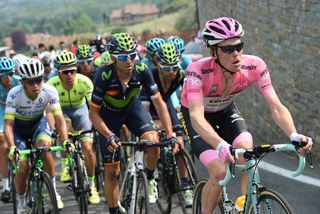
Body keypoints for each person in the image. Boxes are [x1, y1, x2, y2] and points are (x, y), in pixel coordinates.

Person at [180, 17, 313, 214]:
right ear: (213, 52)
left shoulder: (254, 65)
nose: (236, 54)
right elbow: (197, 117)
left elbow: (276, 107)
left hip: (225, 112)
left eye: (239, 46)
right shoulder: (198, 70)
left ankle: (245, 204)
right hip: (198, 119)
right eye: (227, 49)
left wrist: (294, 135)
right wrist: (220, 144)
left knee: (247, 153)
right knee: (219, 172)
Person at [89, 33, 174, 214]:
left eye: (132, 55)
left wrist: (170, 133)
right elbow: (93, 115)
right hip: (108, 118)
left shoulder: (142, 70)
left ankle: (150, 178)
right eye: (123, 57)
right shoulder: (102, 75)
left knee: (153, 141)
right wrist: (108, 135)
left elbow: (159, 103)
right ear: (113, 58)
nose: (129, 60)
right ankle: (114, 210)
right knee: (112, 171)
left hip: (132, 111)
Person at [5, 58, 69, 212]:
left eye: (39, 80)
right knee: (23, 167)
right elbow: (8, 125)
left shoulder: (49, 91)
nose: (36, 86)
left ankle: (53, 190)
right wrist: (12, 147)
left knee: (46, 149)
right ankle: (21, 203)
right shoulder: (14, 94)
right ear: (22, 82)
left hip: (37, 125)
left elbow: (59, 119)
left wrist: (65, 140)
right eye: (31, 82)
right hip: (18, 129)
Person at [140, 43, 194, 206]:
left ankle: (185, 185)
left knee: (180, 141)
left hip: (167, 104)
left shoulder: (180, 75)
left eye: (174, 67)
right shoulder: (150, 75)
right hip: (149, 105)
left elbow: (188, 100)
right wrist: (153, 127)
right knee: (153, 139)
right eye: (166, 68)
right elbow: (145, 111)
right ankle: (152, 174)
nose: (171, 72)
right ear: (158, 64)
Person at [47, 50, 100, 204]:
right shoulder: (51, 85)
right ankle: (65, 165)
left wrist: (97, 126)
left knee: (88, 149)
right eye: (65, 72)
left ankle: (92, 185)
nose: (70, 75)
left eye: (72, 71)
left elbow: (92, 108)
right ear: (58, 73)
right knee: (66, 129)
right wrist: (53, 130)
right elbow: (49, 112)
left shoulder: (84, 81)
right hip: (61, 112)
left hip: (80, 110)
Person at [0, 57, 21, 203]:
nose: (8, 78)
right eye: (3, 75)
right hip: (1, 112)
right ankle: (6, 186)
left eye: (11, 73)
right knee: (3, 144)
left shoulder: (19, 81)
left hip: (17, 111)